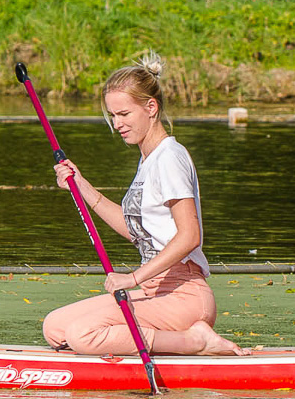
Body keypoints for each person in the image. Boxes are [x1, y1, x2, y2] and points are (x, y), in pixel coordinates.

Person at [42, 53, 247, 356]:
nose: (117, 124)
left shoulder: (170, 158)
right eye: (113, 115)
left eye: (124, 114)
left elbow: (190, 236)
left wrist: (132, 278)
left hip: (183, 296)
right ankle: (150, 342)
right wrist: (81, 185)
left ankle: (195, 341)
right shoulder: (148, 161)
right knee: (55, 327)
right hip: (154, 292)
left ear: (151, 107)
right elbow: (137, 229)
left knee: (81, 333)